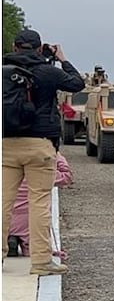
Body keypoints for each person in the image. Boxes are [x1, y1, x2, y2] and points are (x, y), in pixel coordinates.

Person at [2, 29, 85, 276]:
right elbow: (77, 83)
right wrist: (61, 58)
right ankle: (40, 261)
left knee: (3, 203)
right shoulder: (48, 72)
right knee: (39, 203)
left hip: (6, 144)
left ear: (15, 47)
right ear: (39, 49)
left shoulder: (3, 72)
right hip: (39, 145)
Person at [8, 151, 73, 258]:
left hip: (6, 218)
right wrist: (56, 154)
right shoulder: (42, 169)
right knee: (35, 251)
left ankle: (10, 238)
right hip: (30, 223)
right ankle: (25, 244)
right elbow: (66, 176)